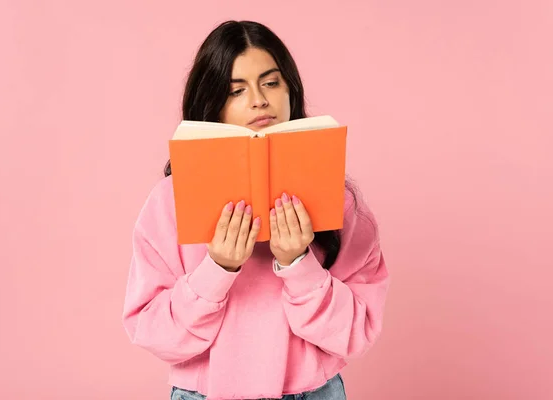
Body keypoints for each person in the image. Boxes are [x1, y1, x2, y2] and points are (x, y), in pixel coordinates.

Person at [122, 20, 391, 400]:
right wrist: (217, 270)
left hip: (313, 393)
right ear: (212, 105)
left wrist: (299, 264)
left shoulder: (342, 202)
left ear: (290, 90)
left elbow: (357, 333)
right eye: (236, 90)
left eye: (270, 82)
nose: (259, 100)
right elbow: (153, 333)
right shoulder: (169, 202)